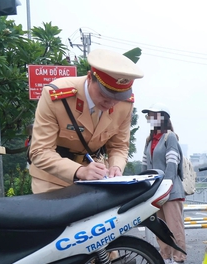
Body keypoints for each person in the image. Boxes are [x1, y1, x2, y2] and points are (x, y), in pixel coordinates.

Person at [28, 49, 144, 194]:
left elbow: (119, 146)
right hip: (52, 179)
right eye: (105, 94)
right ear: (90, 77)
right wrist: (80, 171)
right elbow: (40, 151)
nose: (111, 102)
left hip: (97, 178)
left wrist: (116, 167)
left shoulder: (124, 105)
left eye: (118, 97)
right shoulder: (57, 96)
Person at [141, 104, 187, 264]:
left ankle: (179, 260)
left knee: (174, 226)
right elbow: (146, 165)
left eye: (154, 115)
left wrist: (166, 185)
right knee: (160, 227)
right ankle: (166, 258)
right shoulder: (149, 141)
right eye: (149, 116)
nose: (150, 119)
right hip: (156, 191)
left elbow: (172, 163)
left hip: (171, 190)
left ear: (163, 118)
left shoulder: (170, 137)